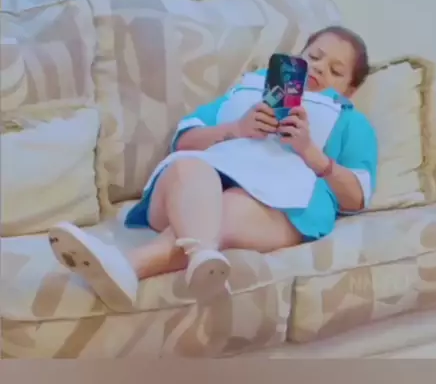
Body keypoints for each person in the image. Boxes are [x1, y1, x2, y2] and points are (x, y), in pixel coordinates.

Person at [48, 26, 378, 312]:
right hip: (186, 192)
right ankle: (202, 252)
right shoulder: (249, 89)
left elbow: (356, 197)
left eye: (336, 70)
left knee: (228, 205)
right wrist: (236, 128)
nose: (318, 68)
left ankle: (128, 265)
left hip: (275, 209)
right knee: (190, 167)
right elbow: (183, 142)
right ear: (298, 56)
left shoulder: (351, 122)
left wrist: (312, 154)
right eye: (314, 56)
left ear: (350, 89)